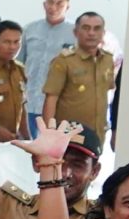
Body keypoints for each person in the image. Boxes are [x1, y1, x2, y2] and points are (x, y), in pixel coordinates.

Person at [39, 13, 117, 143]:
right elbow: (51, 99)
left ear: (103, 33)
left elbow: (108, 93)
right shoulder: (64, 61)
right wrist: (49, 134)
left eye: (97, 28)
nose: (91, 33)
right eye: (86, 28)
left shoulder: (108, 60)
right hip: (69, 135)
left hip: (98, 133)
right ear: (75, 32)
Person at [19, 0, 78, 132]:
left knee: (55, 143)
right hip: (29, 101)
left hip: (58, 105)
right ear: (44, 5)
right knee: (28, 143)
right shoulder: (29, 29)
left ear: (67, 7)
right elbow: (19, 63)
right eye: (50, 3)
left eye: (59, 4)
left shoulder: (75, 33)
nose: (53, 7)